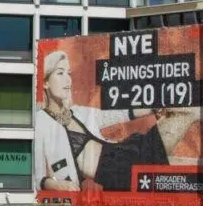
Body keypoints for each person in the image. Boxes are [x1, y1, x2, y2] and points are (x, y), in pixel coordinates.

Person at [34, 51, 172, 192]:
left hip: (124, 155)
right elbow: (38, 178)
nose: (68, 80)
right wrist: (57, 185)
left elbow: (116, 114)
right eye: (60, 73)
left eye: (69, 73)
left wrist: (153, 108)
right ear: (45, 83)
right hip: (116, 173)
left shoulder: (78, 112)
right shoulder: (40, 121)